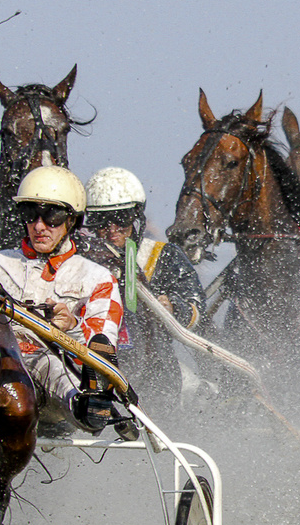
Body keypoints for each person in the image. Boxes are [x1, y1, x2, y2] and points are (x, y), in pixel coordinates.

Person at [0, 165, 124, 433]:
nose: (39, 226)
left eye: (53, 217)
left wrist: (72, 326)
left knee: (48, 365)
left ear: (72, 220)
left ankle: (88, 407)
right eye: (30, 214)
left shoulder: (98, 278)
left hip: (49, 373)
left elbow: (101, 344)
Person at [76, 167, 207, 396]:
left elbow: (196, 307)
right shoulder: (79, 260)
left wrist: (173, 307)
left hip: (156, 369)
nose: (112, 230)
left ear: (136, 218)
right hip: (92, 364)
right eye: (102, 222)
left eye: (120, 219)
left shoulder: (162, 255)